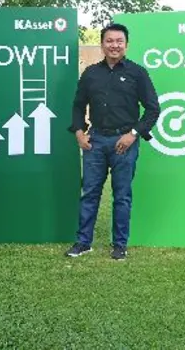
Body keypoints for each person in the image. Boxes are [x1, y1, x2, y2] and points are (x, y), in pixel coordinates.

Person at [66, 23, 160, 261]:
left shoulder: (137, 73)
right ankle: (83, 242)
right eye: (109, 41)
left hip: (124, 142)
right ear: (102, 44)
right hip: (95, 141)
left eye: (119, 41)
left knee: (122, 196)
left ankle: (120, 245)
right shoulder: (90, 73)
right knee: (89, 193)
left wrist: (133, 134)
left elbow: (153, 109)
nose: (114, 45)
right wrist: (79, 132)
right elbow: (78, 105)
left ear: (126, 45)